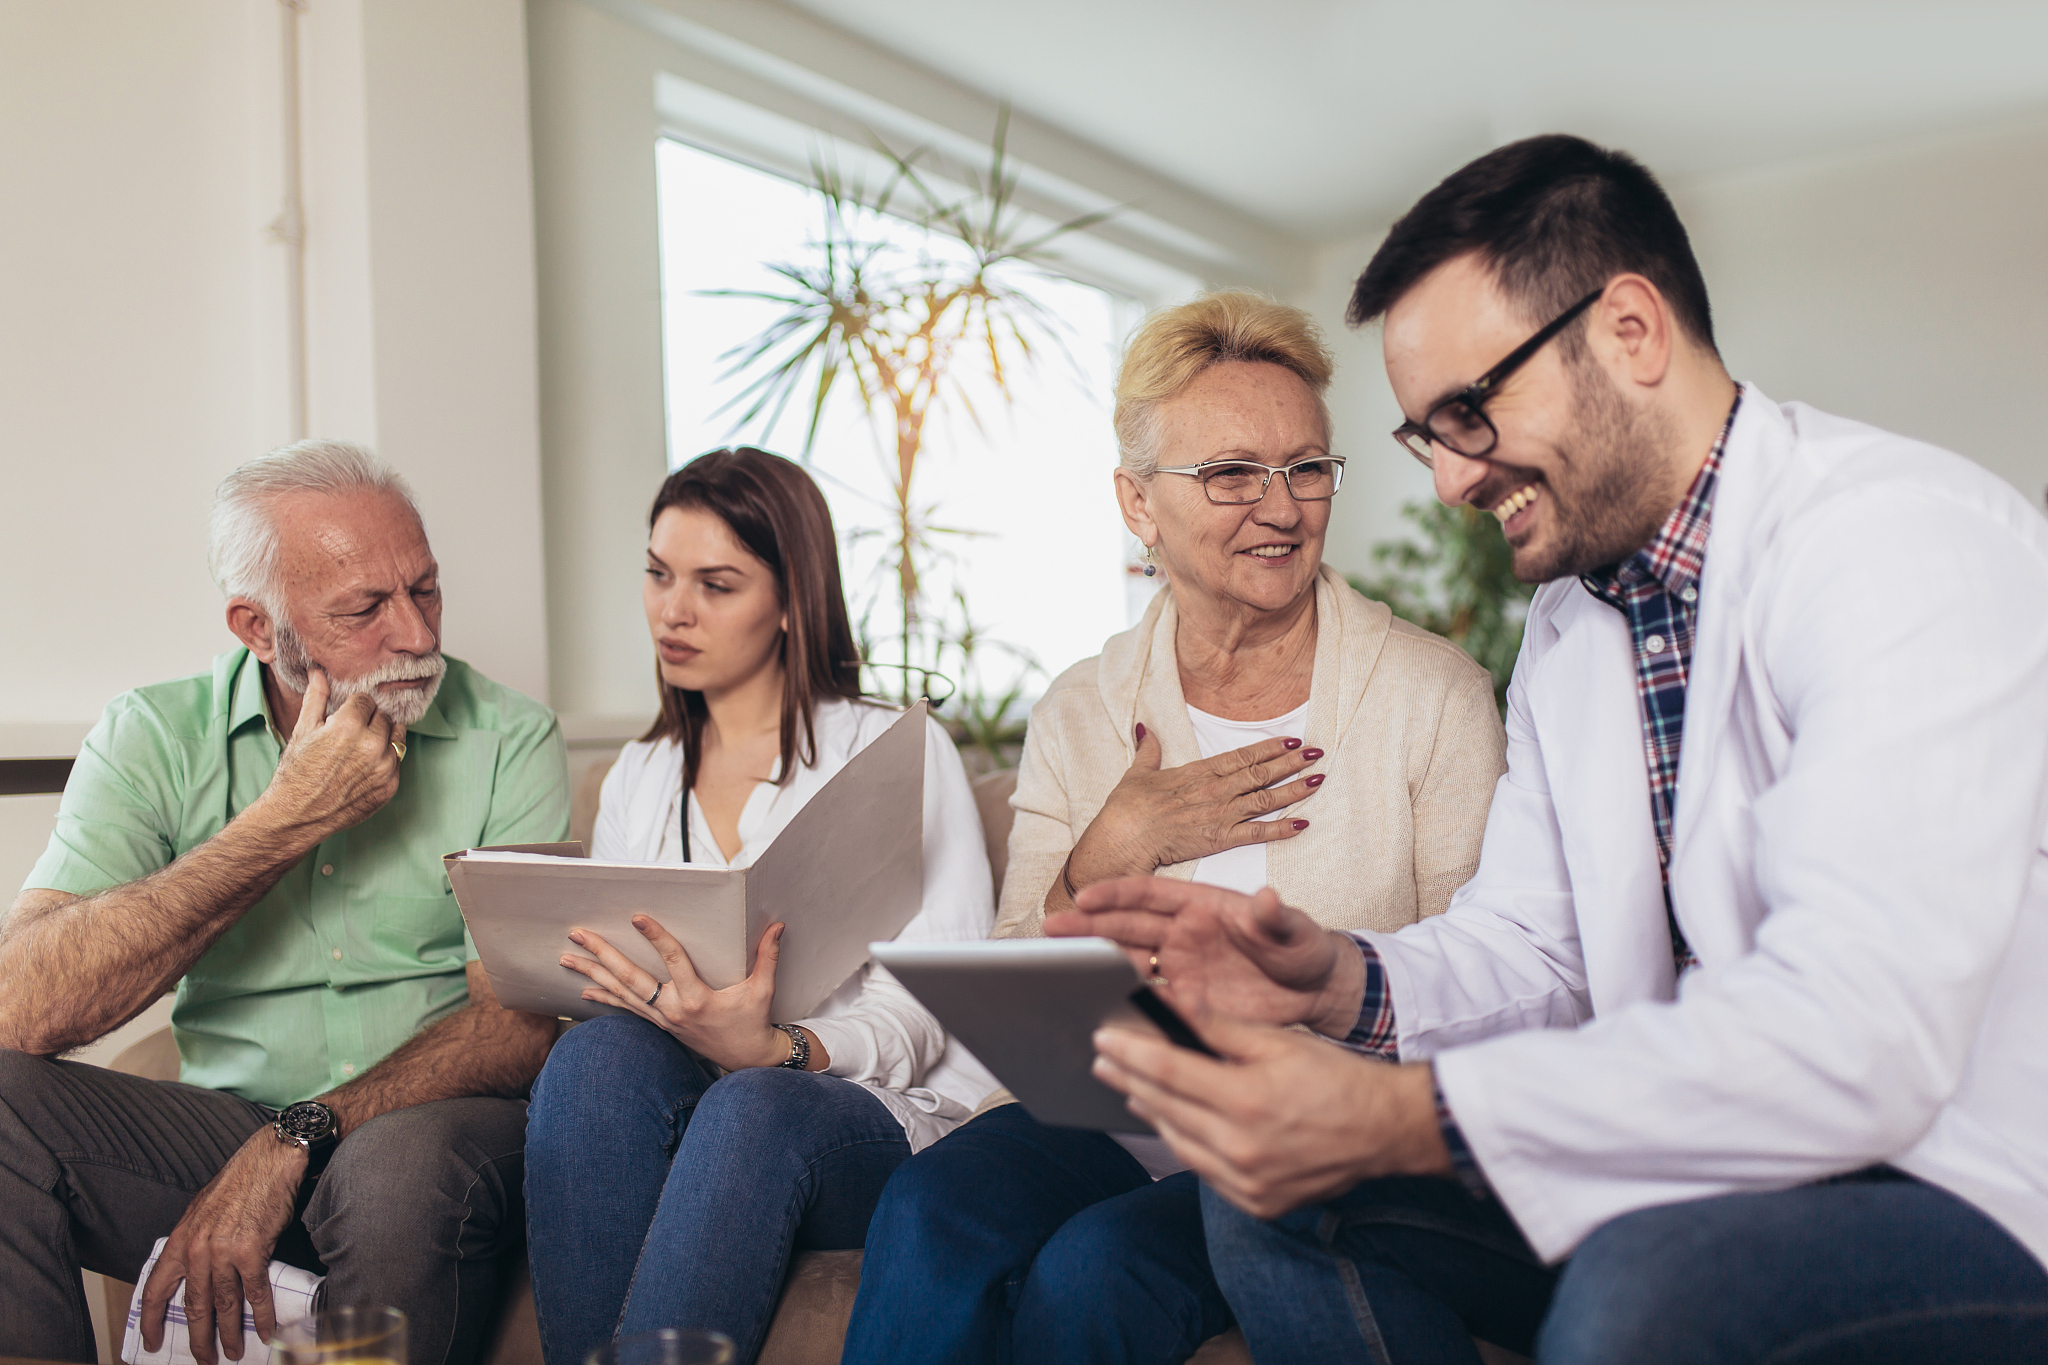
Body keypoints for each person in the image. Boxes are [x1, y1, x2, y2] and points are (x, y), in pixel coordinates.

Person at [1072, 135, 2048, 1364]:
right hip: (1679, 1169)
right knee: (1269, 1202)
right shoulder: (1571, 623)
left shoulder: (1897, 545)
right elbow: (1535, 945)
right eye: (1425, 436)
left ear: (1630, 331)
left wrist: (1400, 1115)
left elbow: (1858, 1039)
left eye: (1469, 414)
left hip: (1951, 1184)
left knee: (1647, 1294)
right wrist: (1334, 981)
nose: (1446, 484)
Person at [843, 292, 1510, 1365]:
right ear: (1136, 503)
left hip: (1304, 1139)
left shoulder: (1432, 697)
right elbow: (1011, 985)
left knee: (1097, 1271)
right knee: (930, 1206)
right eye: (1231, 473)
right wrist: (1107, 850)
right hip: (1108, 1115)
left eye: (1305, 468)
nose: (1281, 506)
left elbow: (1486, 982)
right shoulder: (1082, 707)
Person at [0, 440, 571, 1365]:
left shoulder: (511, 737)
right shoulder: (151, 736)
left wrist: (302, 1134)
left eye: (425, 589)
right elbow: (20, 1008)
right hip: (221, 1126)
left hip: (424, 1123)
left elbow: (520, 1023)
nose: (419, 636)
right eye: (365, 609)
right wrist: (281, 822)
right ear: (258, 628)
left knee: (395, 1173)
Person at [520, 447, 996, 1365]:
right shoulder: (643, 774)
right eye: (658, 574)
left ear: (789, 600)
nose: (673, 609)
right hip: (694, 1086)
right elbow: (622, 995)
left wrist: (778, 1047)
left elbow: (936, 1002)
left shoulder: (894, 750)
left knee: (754, 1105)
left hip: (866, 1107)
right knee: (591, 1057)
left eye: (716, 583)